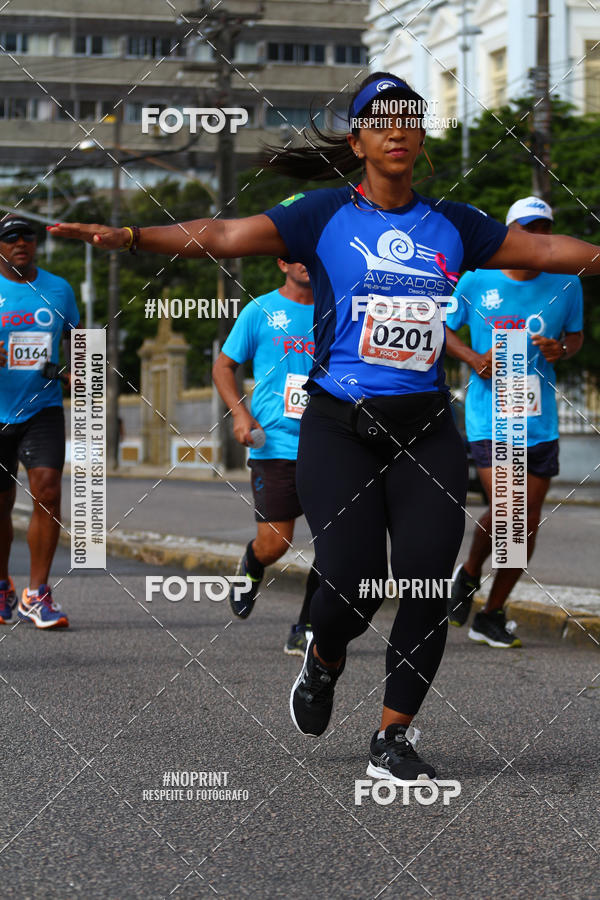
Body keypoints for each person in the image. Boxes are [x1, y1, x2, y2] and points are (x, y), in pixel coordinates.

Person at [49, 72, 600, 783]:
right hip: (338, 427)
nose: (399, 128)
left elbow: (552, 254)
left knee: (428, 584)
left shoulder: (455, 226)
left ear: (421, 137)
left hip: (426, 429)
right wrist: (128, 234)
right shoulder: (320, 215)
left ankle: (392, 739)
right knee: (354, 581)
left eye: (412, 117)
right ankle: (326, 655)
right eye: (383, 118)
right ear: (360, 138)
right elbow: (221, 233)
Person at [445, 196, 583, 647]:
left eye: (545, 228)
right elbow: (439, 326)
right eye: (529, 227)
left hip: (539, 420)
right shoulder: (476, 278)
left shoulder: (567, 282)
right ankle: (468, 573)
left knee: (525, 526)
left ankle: (492, 611)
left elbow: (575, 337)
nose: (539, 236)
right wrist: (471, 357)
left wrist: (562, 350)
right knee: (508, 510)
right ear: (510, 233)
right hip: (490, 414)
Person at [212, 258, 319, 655]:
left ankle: (306, 626)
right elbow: (224, 366)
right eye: (296, 254)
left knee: (337, 545)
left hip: (330, 443)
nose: (305, 262)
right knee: (275, 544)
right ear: (281, 262)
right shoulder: (259, 310)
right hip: (275, 444)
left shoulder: (340, 306)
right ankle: (252, 567)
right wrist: (240, 412)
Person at [0, 215, 80, 628]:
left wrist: (75, 372)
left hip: (42, 408)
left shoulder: (58, 289)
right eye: (10, 238)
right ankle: (2, 586)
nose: (20, 243)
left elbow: (80, 344)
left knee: (47, 492)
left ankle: (38, 593)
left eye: (27, 237)